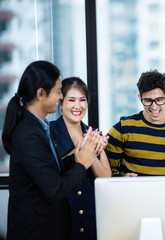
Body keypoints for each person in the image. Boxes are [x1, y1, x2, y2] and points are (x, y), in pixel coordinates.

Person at [2, 61, 101, 240]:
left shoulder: (39, 127)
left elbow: (49, 170)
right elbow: (55, 189)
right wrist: (82, 163)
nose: (60, 97)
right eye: (58, 91)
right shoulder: (28, 134)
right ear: (41, 94)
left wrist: (83, 151)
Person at [50, 77, 111, 240]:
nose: (78, 106)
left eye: (82, 100)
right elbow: (50, 173)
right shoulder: (49, 132)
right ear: (60, 103)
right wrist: (81, 148)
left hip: (90, 217)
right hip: (63, 216)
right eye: (71, 100)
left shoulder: (93, 133)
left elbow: (106, 178)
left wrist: (93, 151)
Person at [106, 69, 165, 176]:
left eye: (159, 99)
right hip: (130, 192)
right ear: (140, 98)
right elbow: (107, 171)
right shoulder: (122, 129)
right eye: (148, 100)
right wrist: (122, 179)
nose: (154, 106)